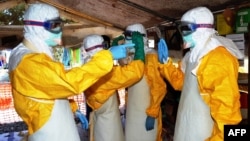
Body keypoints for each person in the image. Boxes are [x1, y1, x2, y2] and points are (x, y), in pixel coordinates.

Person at [8, 3, 131, 141]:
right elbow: (67, 82)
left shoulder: (32, 54)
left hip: (55, 126)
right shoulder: (27, 61)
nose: (60, 32)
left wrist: (72, 108)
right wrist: (108, 57)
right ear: (35, 27)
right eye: (54, 26)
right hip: (50, 134)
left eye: (60, 25)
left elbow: (49, 90)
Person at [158, 7, 243, 141]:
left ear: (201, 29)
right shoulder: (191, 55)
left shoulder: (218, 58)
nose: (182, 34)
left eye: (186, 29)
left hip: (204, 130)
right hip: (185, 123)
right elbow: (180, 83)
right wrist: (165, 65)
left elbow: (227, 112)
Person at [83, 34, 145, 141]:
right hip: (107, 121)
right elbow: (131, 74)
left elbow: (118, 68)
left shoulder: (88, 64)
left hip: (99, 116)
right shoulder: (102, 71)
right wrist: (139, 52)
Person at [124, 23, 167, 141]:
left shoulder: (151, 57)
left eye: (130, 39)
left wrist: (152, 113)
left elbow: (158, 87)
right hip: (133, 111)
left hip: (146, 112)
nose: (127, 42)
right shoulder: (133, 58)